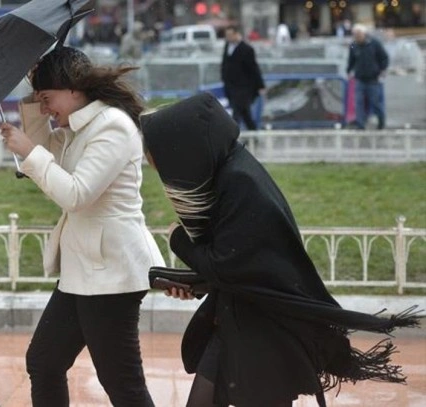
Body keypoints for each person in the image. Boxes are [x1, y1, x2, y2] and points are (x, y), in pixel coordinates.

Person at [140, 93, 421, 407]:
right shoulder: (231, 173)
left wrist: (179, 240)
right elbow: (243, 264)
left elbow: (228, 265)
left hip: (265, 334)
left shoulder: (240, 184)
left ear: (187, 154)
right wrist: (196, 284)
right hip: (239, 321)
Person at [0, 46, 165, 406]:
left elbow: (76, 194)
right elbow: (43, 146)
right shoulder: (79, 126)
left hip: (111, 272)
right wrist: (32, 96)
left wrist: (29, 152)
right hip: (84, 271)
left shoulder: (113, 126)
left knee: (122, 384)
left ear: (74, 89)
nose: (45, 109)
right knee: (44, 362)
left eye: (47, 98)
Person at [221, 25, 265, 130]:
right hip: (231, 86)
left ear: (236, 34)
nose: (228, 37)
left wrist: (260, 85)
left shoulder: (247, 49)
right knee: (245, 114)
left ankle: (231, 137)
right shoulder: (227, 47)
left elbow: (254, 68)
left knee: (236, 113)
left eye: (230, 35)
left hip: (243, 87)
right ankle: (253, 134)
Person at [347, 24, 389, 130]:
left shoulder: (374, 43)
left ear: (364, 34)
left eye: (358, 34)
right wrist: (348, 71)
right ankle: (360, 124)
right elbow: (351, 59)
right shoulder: (353, 45)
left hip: (373, 78)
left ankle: (381, 121)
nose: (357, 37)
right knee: (358, 103)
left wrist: (382, 69)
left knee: (375, 102)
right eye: (355, 35)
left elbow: (384, 57)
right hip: (360, 78)